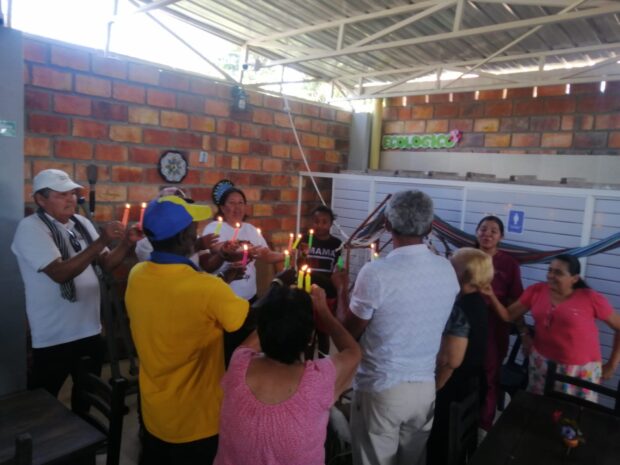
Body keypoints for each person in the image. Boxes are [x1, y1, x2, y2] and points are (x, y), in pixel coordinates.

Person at [333, 190, 460, 465]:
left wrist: (341, 290)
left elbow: (347, 333)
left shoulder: (376, 273)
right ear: (430, 227)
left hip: (382, 388)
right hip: (425, 387)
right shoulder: (447, 270)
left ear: (387, 224)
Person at [125, 195, 249, 465]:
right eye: (193, 227)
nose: (197, 232)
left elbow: (184, 304)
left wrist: (224, 279)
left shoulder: (137, 275)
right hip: (197, 422)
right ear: (184, 238)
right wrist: (277, 285)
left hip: (155, 414)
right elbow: (239, 320)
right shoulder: (206, 287)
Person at [11, 168, 139, 398]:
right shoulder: (31, 228)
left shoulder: (81, 223)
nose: (70, 199)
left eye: (71, 193)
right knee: (44, 398)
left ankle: (83, 418)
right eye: (61, 194)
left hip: (89, 329)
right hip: (54, 335)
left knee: (86, 395)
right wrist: (101, 241)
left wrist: (126, 244)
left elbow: (106, 264)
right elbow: (59, 273)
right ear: (40, 199)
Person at [213, 284, 361, 465]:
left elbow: (260, 334)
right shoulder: (319, 380)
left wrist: (282, 307)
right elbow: (353, 351)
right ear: (310, 338)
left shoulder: (239, 363)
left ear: (260, 329)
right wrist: (323, 310)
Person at [484, 254, 620, 402]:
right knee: (540, 407)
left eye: (558, 272)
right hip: (542, 364)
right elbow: (508, 315)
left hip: (580, 370)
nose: (551, 276)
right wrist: (491, 295)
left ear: (574, 279)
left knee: (574, 412)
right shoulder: (536, 291)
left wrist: (612, 365)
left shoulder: (590, 298)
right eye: (550, 270)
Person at [202, 181, 284, 362]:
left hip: (248, 299)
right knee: (225, 347)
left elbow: (267, 255)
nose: (237, 207)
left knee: (246, 347)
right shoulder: (215, 228)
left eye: (241, 203)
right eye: (231, 203)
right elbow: (216, 249)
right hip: (223, 298)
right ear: (222, 207)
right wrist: (239, 250)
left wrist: (287, 255)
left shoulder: (250, 230)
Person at [427, 248, 492, 465]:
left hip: (454, 388)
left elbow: (450, 361)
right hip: (472, 383)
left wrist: (432, 392)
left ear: (465, 275)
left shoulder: (461, 308)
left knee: (441, 445)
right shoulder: (477, 301)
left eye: (451, 265)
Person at [474, 215, 524, 431]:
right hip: (465, 325)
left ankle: (483, 427)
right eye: (483, 229)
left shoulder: (509, 264)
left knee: (489, 376)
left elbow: (515, 302)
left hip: (494, 328)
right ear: (476, 232)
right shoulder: (465, 257)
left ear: (501, 237)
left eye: (493, 231)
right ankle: (458, 422)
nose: (487, 234)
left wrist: (524, 332)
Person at [304, 205, 342, 357]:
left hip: (327, 294)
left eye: (324, 222)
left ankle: (322, 362)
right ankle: (308, 363)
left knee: (323, 331)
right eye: (316, 221)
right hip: (306, 291)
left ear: (331, 223)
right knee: (307, 331)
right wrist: (300, 254)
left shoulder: (337, 244)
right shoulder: (304, 240)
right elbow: (297, 262)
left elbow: (338, 267)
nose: (319, 225)